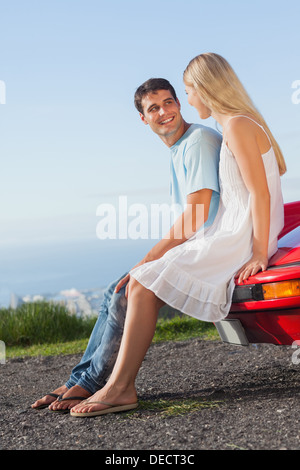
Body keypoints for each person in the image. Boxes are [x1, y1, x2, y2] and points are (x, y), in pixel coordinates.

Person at [70, 53, 286, 418]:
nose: (187, 101)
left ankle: (119, 387)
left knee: (143, 282)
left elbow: (261, 194)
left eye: (186, 92)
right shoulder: (234, 124)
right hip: (229, 231)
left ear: (205, 88)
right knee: (140, 283)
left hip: (237, 236)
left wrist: (259, 253)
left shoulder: (235, 125)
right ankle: (114, 384)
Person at [31, 77, 221, 412]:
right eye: (153, 108)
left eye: (168, 102)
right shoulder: (181, 148)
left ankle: (97, 385)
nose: (163, 112)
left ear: (179, 103)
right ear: (143, 118)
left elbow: (195, 219)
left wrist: (145, 262)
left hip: (216, 249)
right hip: (202, 244)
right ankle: (81, 379)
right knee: (113, 289)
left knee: (128, 289)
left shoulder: (198, 141)